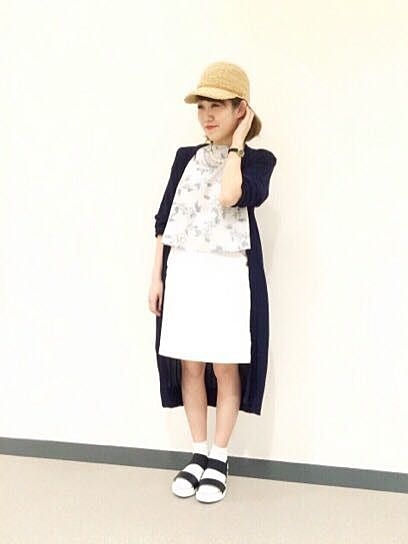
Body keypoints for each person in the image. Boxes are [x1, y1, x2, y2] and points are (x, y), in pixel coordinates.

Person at [148, 61, 277, 503]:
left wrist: (237, 144)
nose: (206, 116)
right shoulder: (184, 157)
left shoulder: (258, 161)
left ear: (241, 110)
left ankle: (219, 458)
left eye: (217, 106)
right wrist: (156, 276)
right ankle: (198, 453)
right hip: (185, 270)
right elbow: (164, 221)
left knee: (225, 366)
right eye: (202, 107)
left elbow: (229, 195)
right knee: (190, 365)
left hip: (227, 274)